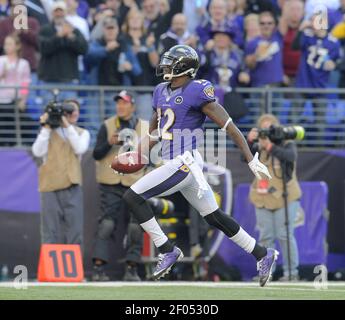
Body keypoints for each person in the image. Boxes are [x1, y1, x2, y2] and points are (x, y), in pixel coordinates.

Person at [122, 44, 278, 287]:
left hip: (185, 161)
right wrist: (137, 154)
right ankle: (262, 253)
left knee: (132, 196)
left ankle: (166, 249)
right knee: (213, 216)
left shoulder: (197, 90)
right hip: (177, 160)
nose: (165, 64)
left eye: (170, 61)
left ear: (183, 66)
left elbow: (229, 126)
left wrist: (251, 158)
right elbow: (154, 129)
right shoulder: (160, 90)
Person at [91, 90, 149, 281]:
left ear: (132, 106)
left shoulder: (145, 127)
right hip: (111, 182)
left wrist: (148, 176)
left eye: (124, 103)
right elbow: (96, 154)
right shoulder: (107, 125)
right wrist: (109, 142)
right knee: (106, 224)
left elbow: (155, 157)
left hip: (136, 182)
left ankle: (131, 268)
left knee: (135, 226)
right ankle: (98, 268)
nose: (120, 106)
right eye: (118, 103)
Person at [247, 114, 302, 281]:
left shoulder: (287, 142)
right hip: (262, 196)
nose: (266, 133)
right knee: (265, 236)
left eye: (270, 129)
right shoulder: (258, 146)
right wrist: (250, 141)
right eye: (263, 129)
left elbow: (290, 157)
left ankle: (291, 273)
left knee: (285, 234)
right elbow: (244, 157)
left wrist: (271, 147)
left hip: (285, 196)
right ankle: (266, 272)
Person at [32, 99, 90, 247]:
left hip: (72, 186)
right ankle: (50, 269)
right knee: (49, 232)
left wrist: (67, 125)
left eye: (75, 110)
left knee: (75, 231)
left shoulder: (82, 133)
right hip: (49, 187)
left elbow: (79, 148)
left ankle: (74, 269)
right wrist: (46, 128)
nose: (72, 113)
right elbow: (37, 152)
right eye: (69, 110)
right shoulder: (47, 132)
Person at [0, 34, 31, 145]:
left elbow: (25, 83)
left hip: (15, 101)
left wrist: (23, 99)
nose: (6, 47)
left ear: (17, 46)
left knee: (13, 129)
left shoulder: (24, 63)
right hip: (1, 100)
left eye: (9, 44)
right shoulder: (1, 60)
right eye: (5, 44)